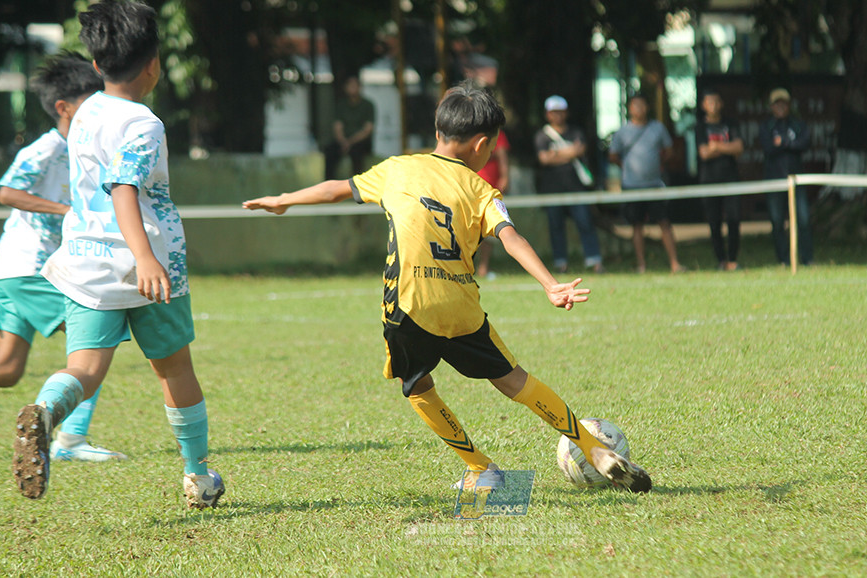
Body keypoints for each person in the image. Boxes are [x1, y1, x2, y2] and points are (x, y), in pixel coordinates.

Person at [244, 82, 651, 493]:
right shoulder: (482, 190)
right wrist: (549, 285)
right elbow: (510, 237)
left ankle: (481, 467)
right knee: (514, 380)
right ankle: (593, 448)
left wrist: (285, 198)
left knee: (417, 385)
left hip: (409, 305)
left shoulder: (398, 168)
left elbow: (337, 188)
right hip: (461, 308)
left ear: (439, 132)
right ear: (480, 145)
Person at [14, 0, 224, 509]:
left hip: (85, 262)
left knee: (84, 369)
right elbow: (124, 187)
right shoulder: (143, 123)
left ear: (95, 65)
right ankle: (198, 475)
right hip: (148, 266)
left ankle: (44, 410)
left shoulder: (83, 114)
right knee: (174, 369)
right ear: (153, 63)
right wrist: (147, 257)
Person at [0, 52, 126, 463]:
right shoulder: (49, 147)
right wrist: (65, 211)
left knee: (8, 369)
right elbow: (7, 192)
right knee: (92, 338)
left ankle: (68, 438)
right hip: (28, 267)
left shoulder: (86, 148)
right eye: (91, 103)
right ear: (62, 108)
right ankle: (70, 440)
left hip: (13, 271)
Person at [608, 94, 685, 274]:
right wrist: (626, 167)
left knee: (664, 223)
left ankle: (675, 263)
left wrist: (659, 163)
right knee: (636, 225)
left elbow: (669, 150)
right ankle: (641, 265)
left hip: (654, 184)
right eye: (635, 105)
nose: (639, 109)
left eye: (642, 105)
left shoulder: (657, 128)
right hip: (631, 186)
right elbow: (613, 156)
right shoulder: (622, 132)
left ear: (647, 107)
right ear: (629, 108)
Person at [534, 95, 603, 273]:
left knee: (585, 222)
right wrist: (570, 152)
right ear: (547, 114)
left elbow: (580, 150)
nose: (557, 116)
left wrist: (556, 154)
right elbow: (544, 159)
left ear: (566, 113)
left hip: (576, 187)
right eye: (553, 112)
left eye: (560, 112)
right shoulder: (542, 135)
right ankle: (560, 263)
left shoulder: (576, 132)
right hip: (553, 189)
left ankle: (594, 260)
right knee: (556, 225)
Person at [759, 88, 813, 266]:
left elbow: (804, 143)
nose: (780, 106)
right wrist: (790, 144)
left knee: (803, 219)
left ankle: (806, 258)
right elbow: (769, 148)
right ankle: (783, 259)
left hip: (797, 180)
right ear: (771, 106)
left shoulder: (798, 125)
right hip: (774, 180)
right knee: (777, 221)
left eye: (784, 103)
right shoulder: (766, 127)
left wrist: (784, 142)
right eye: (777, 103)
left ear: (789, 105)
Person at [696, 89, 744, 271]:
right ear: (703, 106)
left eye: (716, 101)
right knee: (714, 221)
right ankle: (721, 260)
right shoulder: (700, 127)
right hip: (709, 180)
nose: (713, 105)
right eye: (709, 102)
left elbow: (739, 147)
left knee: (734, 219)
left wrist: (716, 146)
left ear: (721, 103)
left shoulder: (731, 124)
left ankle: (733, 259)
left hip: (730, 178)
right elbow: (704, 153)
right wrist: (726, 147)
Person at [323, 75, 375, 179]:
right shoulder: (342, 105)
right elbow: (337, 126)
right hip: (344, 141)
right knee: (330, 151)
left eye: (355, 86)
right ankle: (328, 183)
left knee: (357, 153)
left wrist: (350, 142)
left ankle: (356, 187)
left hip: (359, 142)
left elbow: (367, 130)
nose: (353, 88)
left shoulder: (368, 105)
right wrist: (343, 142)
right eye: (350, 86)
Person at [475, 128, 510, 279]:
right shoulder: (467, 131)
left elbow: (502, 155)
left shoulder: (496, 133)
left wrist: (504, 177)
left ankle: (483, 267)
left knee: (489, 231)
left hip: (489, 189)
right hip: (469, 187)